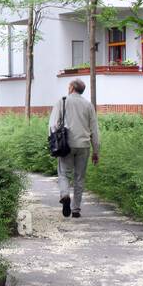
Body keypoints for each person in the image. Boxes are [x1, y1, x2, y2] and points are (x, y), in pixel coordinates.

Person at [48, 78, 100, 218]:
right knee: (79, 177)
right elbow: (94, 130)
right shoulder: (89, 105)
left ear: (71, 88)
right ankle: (76, 209)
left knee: (64, 173)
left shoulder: (62, 101)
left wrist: (54, 142)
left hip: (66, 145)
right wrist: (96, 151)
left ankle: (65, 195)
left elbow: (53, 124)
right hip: (83, 146)